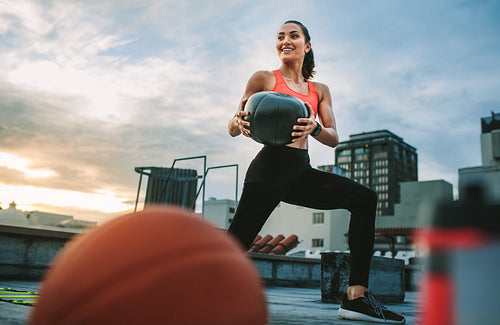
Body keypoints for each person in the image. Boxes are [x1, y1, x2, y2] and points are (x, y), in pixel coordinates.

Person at [227, 20, 405, 324]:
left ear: (306, 45)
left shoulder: (319, 91)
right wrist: (239, 123)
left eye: (293, 35)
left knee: (365, 199)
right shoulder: (263, 78)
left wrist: (316, 127)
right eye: (280, 36)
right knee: (236, 242)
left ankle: (356, 299)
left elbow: (333, 137)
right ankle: (195, 290)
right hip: (269, 167)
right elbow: (233, 124)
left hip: (300, 171)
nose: (285, 40)